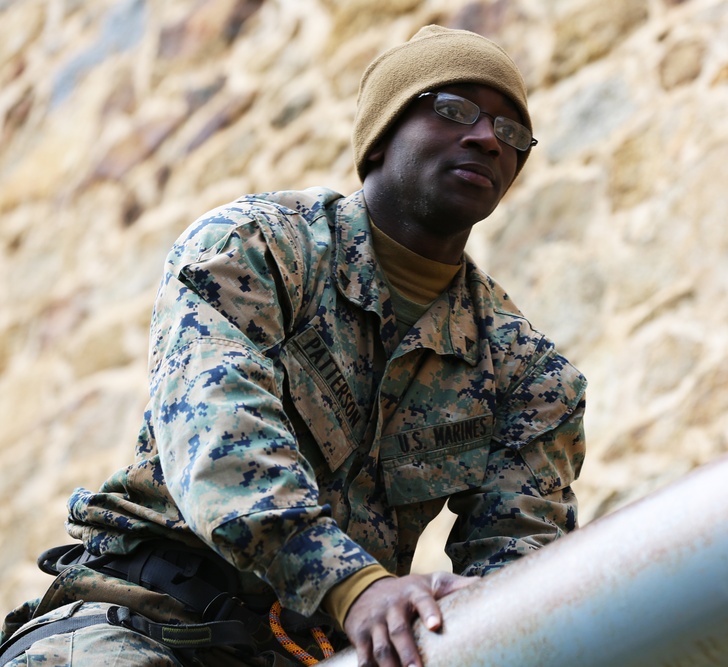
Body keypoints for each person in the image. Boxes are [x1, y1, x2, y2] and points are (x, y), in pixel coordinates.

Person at [0, 24, 586, 667]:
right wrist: (354, 586)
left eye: (510, 133)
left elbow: (522, 575)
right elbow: (219, 435)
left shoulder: (528, 374)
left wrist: (483, 623)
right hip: (142, 621)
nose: (485, 138)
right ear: (384, 133)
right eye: (453, 110)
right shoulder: (255, 249)